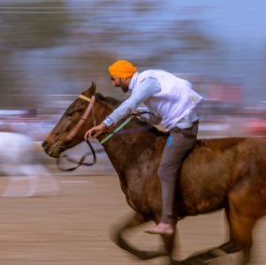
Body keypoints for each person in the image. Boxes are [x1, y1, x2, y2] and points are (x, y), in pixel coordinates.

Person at [84, 60, 204, 236]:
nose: (113, 84)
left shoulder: (145, 84)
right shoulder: (147, 83)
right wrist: (144, 117)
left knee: (165, 169)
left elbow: (128, 105)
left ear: (124, 76)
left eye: (113, 79)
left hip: (183, 130)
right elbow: (158, 118)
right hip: (178, 126)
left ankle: (167, 220)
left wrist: (104, 125)